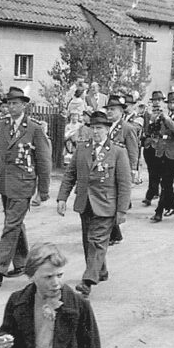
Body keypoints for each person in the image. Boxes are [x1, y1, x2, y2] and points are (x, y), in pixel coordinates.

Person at [0, 87, 52, 287]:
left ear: (24, 105)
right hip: (5, 184)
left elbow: (44, 162)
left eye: (15, 103)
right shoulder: (2, 126)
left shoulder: (34, 129)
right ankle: (22, 264)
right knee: (14, 224)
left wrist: (43, 191)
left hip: (24, 185)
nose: (11, 107)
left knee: (10, 226)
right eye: (9, 103)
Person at [57, 111, 131, 297]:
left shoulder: (118, 152)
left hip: (106, 205)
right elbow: (70, 175)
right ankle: (101, 270)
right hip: (85, 203)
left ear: (107, 130)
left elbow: (124, 183)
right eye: (93, 128)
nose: (96, 131)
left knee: (96, 241)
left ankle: (88, 280)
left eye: (100, 128)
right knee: (88, 242)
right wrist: (62, 198)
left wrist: (122, 210)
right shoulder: (82, 149)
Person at [0, 243, 102, 348]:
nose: (56, 283)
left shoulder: (79, 305)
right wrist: (2, 343)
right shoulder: (17, 301)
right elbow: (6, 332)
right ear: (32, 276)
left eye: (59, 275)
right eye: (48, 277)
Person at [150, 92, 174, 222]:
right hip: (161, 148)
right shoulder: (164, 115)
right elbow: (154, 129)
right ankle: (172, 206)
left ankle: (159, 210)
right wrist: (155, 119)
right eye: (170, 103)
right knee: (165, 181)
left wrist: (166, 118)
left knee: (167, 181)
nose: (172, 105)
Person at [105, 95, 139, 245]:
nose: (109, 112)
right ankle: (115, 234)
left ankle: (113, 234)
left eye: (113, 109)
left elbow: (133, 151)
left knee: (114, 201)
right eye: (108, 109)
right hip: (106, 169)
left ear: (121, 111)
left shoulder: (127, 128)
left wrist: (133, 170)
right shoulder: (105, 126)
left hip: (120, 170)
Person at [141, 91, 165, 207]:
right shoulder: (147, 112)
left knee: (158, 169)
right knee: (151, 169)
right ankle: (153, 191)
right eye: (155, 100)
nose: (156, 102)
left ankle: (151, 193)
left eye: (159, 100)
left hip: (160, 143)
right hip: (149, 142)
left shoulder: (164, 113)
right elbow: (146, 128)